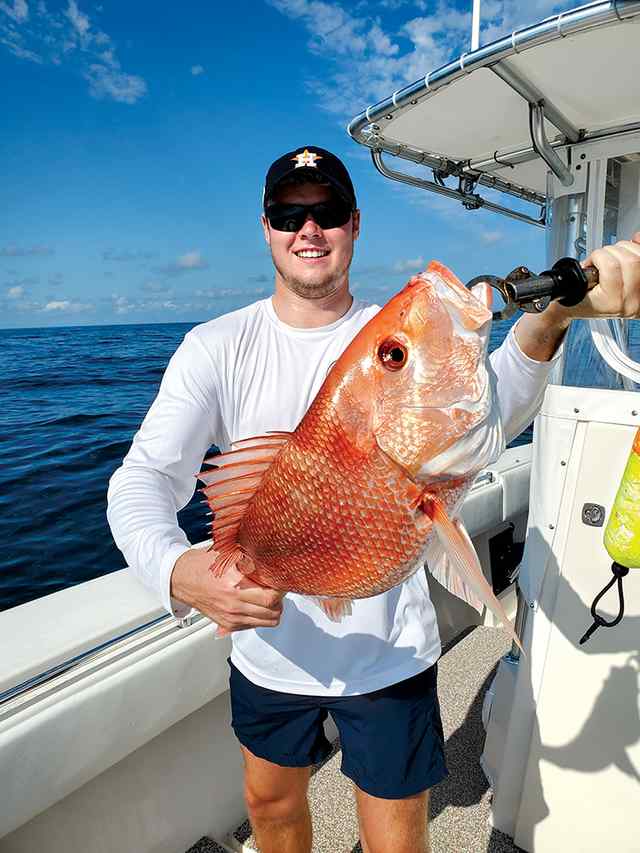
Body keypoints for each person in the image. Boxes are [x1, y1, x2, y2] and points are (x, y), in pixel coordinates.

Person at [107, 145, 640, 853]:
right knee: (269, 806)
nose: (309, 228)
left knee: (395, 833)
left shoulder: (398, 340)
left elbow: (487, 412)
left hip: (389, 659)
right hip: (267, 656)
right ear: (266, 227)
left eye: (326, 211)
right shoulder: (215, 347)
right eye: (289, 213)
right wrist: (182, 572)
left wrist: (551, 318)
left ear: (354, 224)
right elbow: (140, 482)